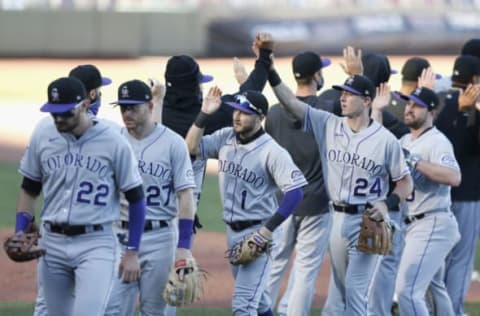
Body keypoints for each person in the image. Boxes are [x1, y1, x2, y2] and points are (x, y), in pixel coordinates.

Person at [267, 68, 413, 315]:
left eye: (350, 94)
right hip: (336, 219)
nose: (342, 98)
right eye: (342, 93)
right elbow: (290, 103)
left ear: (366, 101)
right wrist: (269, 70)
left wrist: (388, 203)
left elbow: (405, 182)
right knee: (345, 291)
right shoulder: (328, 124)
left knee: (356, 294)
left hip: (369, 221)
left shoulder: (386, 140)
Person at [13, 77, 146, 316]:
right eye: (54, 113)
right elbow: (29, 187)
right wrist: (21, 229)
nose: (59, 119)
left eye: (66, 113)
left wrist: (132, 251)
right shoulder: (43, 133)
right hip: (51, 243)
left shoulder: (114, 140)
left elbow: (136, 197)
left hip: (96, 244)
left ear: (85, 105)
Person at [185, 87, 307, 316]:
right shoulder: (225, 137)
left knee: (243, 305)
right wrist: (203, 114)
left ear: (261, 118)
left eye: (245, 112)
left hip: (258, 235)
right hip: (232, 233)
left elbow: (295, 192)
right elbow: (190, 148)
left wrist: (266, 231)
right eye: (235, 110)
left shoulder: (272, 151)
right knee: (258, 302)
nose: (237, 116)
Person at [161, 34, 273, 232]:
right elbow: (249, 98)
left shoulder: (155, 113)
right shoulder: (208, 116)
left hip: (150, 208)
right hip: (182, 213)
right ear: (194, 86)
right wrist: (264, 57)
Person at [103, 80, 197, 315]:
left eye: (133, 107)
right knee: (110, 308)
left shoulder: (174, 143)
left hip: (160, 239)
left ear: (150, 106)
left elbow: (186, 196)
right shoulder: (114, 141)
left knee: (154, 311)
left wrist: (184, 247)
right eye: (123, 107)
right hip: (119, 235)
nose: (127, 113)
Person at [30, 64, 113, 316]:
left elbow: (30, 182)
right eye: (99, 89)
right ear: (91, 95)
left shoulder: (44, 129)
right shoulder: (110, 133)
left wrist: (25, 222)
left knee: (47, 304)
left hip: (52, 228)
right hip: (95, 235)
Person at [263, 51, 332, 316]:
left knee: (273, 266)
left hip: (279, 201)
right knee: (305, 271)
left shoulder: (274, 113)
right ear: (316, 75)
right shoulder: (324, 110)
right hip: (315, 202)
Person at [391, 87, 462, 315]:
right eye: (408, 103)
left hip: (432, 223)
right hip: (413, 225)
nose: (409, 108)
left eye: (416, 105)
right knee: (435, 289)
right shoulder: (404, 140)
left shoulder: (437, 142)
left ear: (431, 111)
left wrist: (414, 161)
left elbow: (454, 177)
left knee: (407, 291)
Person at [435, 54, 480, 316]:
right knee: (461, 260)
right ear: (474, 79)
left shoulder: (441, 102)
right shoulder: (470, 109)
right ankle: (452, 311)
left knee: (441, 258)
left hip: (439, 194)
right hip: (467, 194)